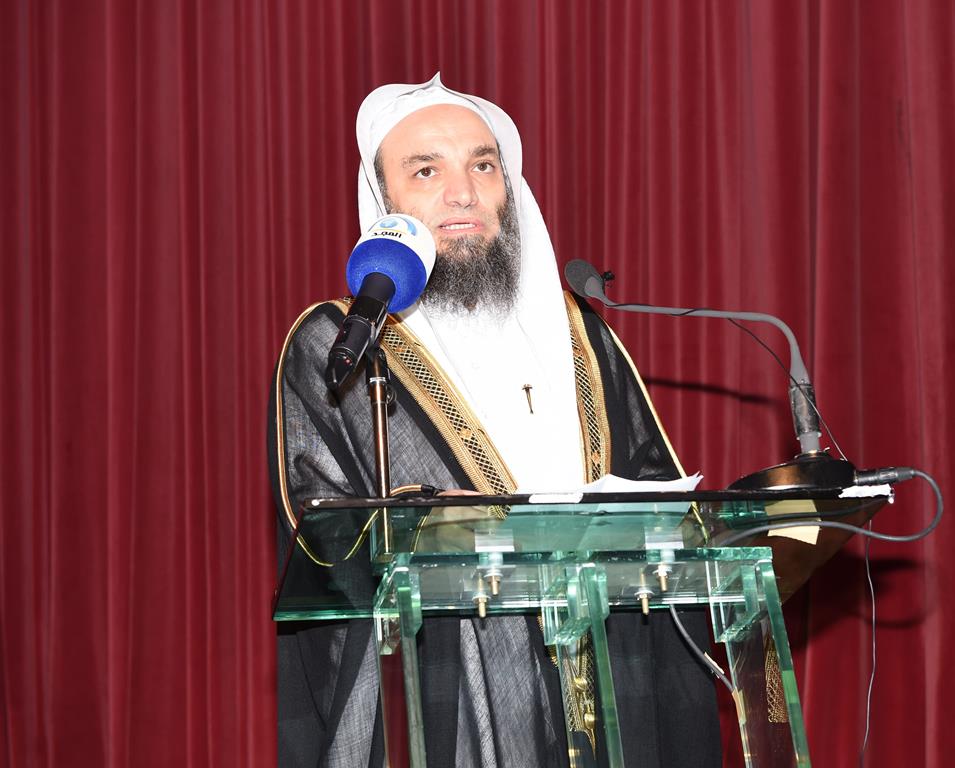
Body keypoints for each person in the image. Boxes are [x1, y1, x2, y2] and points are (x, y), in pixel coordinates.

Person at [268, 74, 721, 767]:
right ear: (385, 203)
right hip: (453, 707)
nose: (463, 192)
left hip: (611, 699)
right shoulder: (342, 347)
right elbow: (324, 538)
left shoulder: (582, 337)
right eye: (426, 171)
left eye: (483, 166)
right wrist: (433, 521)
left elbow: (665, 515)